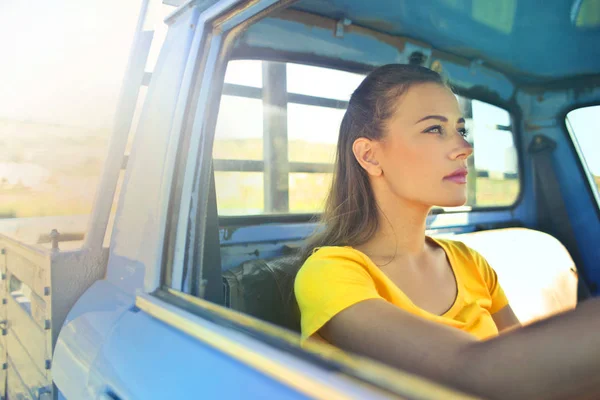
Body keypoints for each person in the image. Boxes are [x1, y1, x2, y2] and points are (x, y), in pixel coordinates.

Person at [294, 64, 600, 399]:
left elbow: (534, 377)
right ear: (369, 155)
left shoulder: (471, 263)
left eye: (460, 130)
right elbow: (469, 371)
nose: (464, 148)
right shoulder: (330, 273)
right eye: (434, 130)